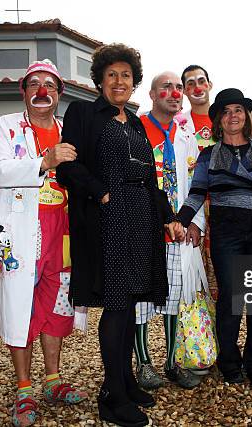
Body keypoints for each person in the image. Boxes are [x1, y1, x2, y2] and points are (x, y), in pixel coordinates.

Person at [56, 44, 181, 427]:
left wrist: (169, 217)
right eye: (111, 74)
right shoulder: (81, 113)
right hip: (107, 222)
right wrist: (102, 192)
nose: (119, 81)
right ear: (100, 80)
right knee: (117, 306)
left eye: (126, 75)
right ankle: (111, 394)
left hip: (141, 220)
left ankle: (126, 381)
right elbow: (67, 169)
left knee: (132, 306)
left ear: (134, 81)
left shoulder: (138, 123)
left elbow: (150, 179)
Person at [0, 59, 88, 427]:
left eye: (50, 85)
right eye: (34, 84)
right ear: (24, 91)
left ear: (59, 94)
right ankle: (24, 388)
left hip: (63, 234)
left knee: (56, 306)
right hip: (21, 237)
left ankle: (53, 379)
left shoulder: (70, 129)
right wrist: (43, 161)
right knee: (20, 309)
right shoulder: (5, 127)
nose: (42, 91)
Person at [173, 88, 252, 389]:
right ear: (218, 120)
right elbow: (197, 193)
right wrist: (179, 219)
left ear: (245, 116)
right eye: (226, 111)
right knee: (229, 297)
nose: (232, 116)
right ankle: (229, 362)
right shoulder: (208, 155)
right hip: (227, 232)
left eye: (237, 110)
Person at [133, 71, 207, 390]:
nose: (175, 92)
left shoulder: (186, 134)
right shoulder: (136, 129)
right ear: (152, 95)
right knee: (140, 300)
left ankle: (172, 362)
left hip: (177, 230)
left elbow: (196, 185)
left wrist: (194, 222)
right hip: (143, 229)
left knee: (174, 296)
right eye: (167, 87)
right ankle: (144, 364)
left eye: (179, 88)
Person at [180, 65, 218, 327]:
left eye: (201, 81)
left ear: (210, 85)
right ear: (183, 90)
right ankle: (204, 342)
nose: (197, 87)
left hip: (223, 205)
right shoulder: (180, 124)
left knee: (226, 276)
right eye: (190, 83)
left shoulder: (227, 118)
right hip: (194, 206)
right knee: (198, 277)